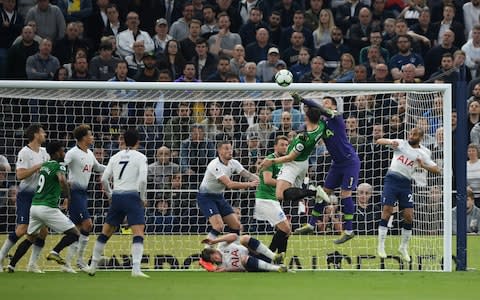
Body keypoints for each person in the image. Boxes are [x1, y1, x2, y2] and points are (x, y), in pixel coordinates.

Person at [294, 95, 361, 245]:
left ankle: (349, 230)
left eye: (326, 103)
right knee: (323, 193)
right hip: (337, 164)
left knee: (345, 194)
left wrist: (303, 99)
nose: (323, 105)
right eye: (322, 103)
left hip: (350, 162)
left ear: (334, 106)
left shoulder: (337, 117)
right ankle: (311, 224)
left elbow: (319, 109)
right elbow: (308, 124)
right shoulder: (322, 124)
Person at [259, 98, 330, 235]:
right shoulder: (321, 126)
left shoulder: (303, 139)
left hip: (293, 164)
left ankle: (315, 192)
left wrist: (271, 161)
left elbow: (290, 157)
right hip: (304, 163)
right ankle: (312, 192)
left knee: (280, 195)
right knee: (292, 191)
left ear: (306, 118)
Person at [86, 129, 149, 278]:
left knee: (106, 232)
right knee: (138, 232)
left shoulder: (115, 156)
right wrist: (143, 197)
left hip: (118, 196)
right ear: (138, 142)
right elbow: (143, 180)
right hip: (132, 196)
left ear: (124, 141)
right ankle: (136, 269)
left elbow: (104, 179)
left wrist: (110, 194)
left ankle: (93, 266)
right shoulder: (140, 157)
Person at [376, 127, 441, 262]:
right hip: (392, 180)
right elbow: (379, 140)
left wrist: (424, 166)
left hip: (406, 184)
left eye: (414, 134)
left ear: (421, 137)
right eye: (410, 134)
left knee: (409, 216)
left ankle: (403, 247)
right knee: (387, 211)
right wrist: (390, 143)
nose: (411, 136)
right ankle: (381, 245)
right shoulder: (401, 143)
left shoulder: (424, 152)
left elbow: (436, 169)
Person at [21, 141, 80, 270]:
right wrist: (67, 195)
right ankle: (55, 252)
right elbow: (61, 179)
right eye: (62, 150)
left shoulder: (44, 165)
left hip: (35, 205)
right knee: (75, 234)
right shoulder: (59, 165)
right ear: (57, 153)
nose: (64, 153)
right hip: (48, 207)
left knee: (30, 237)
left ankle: (12, 264)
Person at [0, 124, 50, 273]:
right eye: (42, 132)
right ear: (35, 135)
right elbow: (20, 175)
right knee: (22, 229)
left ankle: (32, 264)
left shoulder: (44, 152)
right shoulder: (24, 152)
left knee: (43, 231)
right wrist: (38, 167)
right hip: (26, 195)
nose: (45, 134)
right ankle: (1, 256)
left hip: (40, 196)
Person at [62, 125, 106, 273]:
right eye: (90, 135)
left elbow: (98, 167)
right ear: (83, 138)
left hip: (83, 194)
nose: (92, 137)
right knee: (87, 224)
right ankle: (79, 261)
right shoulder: (72, 153)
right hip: (74, 193)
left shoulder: (89, 153)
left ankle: (67, 263)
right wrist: (65, 183)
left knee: (78, 229)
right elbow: (61, 165)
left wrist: (113, 168)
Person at [197, 140, 259, 243]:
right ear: (219, 151)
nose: (230, 151)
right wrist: (249, 184)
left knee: (236, 226)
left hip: (219, 197)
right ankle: (207, 251)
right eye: (226, 148)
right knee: (218, 226)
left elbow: (248, 175)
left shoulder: (233, 163)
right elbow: (229, 184)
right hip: (206, 197)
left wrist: (262, 181)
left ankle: (234, 249)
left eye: (231, 148)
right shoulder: (214, 165)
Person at [254, 135, 291, 258]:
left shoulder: (285, 161)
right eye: (282, 144)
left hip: (273, 199)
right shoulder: (269, 160)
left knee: (285, 231)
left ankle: (278, 260)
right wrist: (285, 184)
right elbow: (267, 180)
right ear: (275, 146)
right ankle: (268, 257)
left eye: (286, 145)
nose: (285, 147)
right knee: (286, 229)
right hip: (265, 199)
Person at [199, 233, 288, 272]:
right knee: (244, 258)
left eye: (215, 257)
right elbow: (241, 269)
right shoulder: (221, 267)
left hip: (256, 254)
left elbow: (234, 236)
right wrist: (226, 269)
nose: (217, 259)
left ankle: (274, 257)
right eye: (214, 260)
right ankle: (277, 268)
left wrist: (215, 241)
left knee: (244, 239)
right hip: (251, 265)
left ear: (214, 251)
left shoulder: (221, 246)